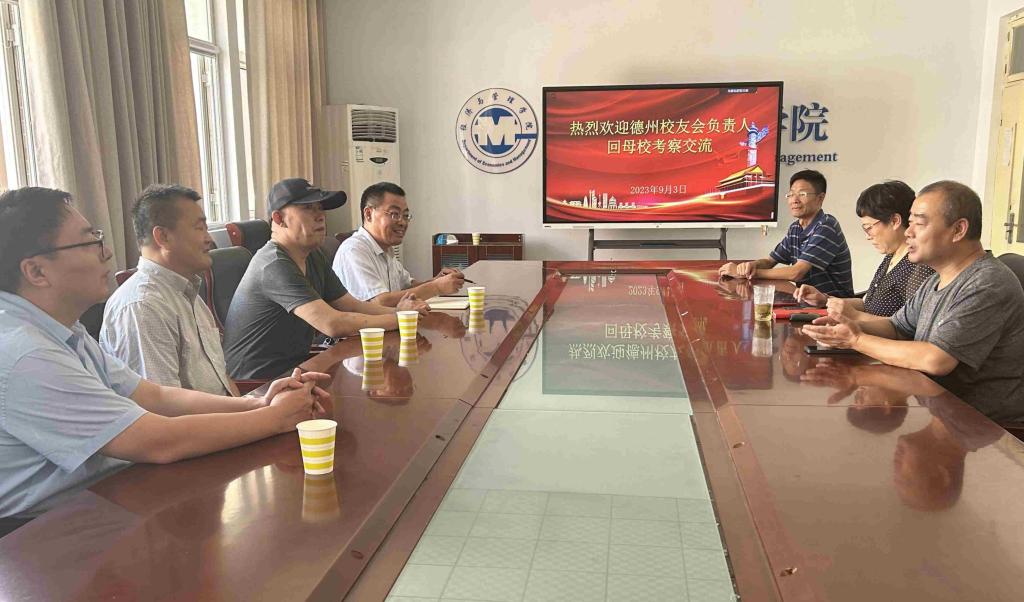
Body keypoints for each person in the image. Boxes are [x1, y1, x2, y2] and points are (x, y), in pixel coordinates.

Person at [0, 187, 329, 527]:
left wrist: (259, 404)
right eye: (89, 242)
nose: (107, 252)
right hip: (44, 531)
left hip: (107, 498)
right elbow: (155, 440)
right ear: (36, 272)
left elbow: (154, 395)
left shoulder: (64, 330)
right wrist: (276, 418)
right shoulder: (25, 353)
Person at [803, 180, 1024, 424]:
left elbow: (936, 359)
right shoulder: (937, 279)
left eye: (919, 223)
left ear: (958, 230)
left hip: (984, 427)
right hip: (937, 408)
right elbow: (897, 327)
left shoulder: (986, 283)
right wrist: (845, 328)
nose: (908, 232)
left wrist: (856, 340)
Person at [223, 178, 428, 380]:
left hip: (295, 370)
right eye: (308, 208)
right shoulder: (274, 264)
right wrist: (400, 319)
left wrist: (402, 313)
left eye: (320, 208)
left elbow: (351, 305)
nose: (320, 216)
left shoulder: (312, 255)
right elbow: (332, 324)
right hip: (255, 384)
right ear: (279, 218)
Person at [100, 184, 237, 395]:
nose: (209, 239)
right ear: (163, 237)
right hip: (201, 418)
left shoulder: (187, 291)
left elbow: (222, 380)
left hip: (230, 413)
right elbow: (164, 408)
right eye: (199, 228)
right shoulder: (143, 307)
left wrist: (255, 408)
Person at [795, 180, 934, 319]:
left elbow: (908, 325)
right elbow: (866, 303)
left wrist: (855, 318)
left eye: (869, 228)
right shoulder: (891, 256)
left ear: (895, 221)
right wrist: (826, 300)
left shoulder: (918, 265)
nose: (868, 236)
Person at [719, 169, 854, 297]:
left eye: (802, 194)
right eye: (791, 194)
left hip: (833, 306)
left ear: (820, 198)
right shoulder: (795, 228)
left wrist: (748, 274)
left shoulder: (826, 226)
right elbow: (769, 261)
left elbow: (796, 273)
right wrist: (750, 266)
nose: (794, 200)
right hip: (806, 301)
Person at [332, 182, 465, 304]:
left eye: (406, 215)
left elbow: (408, 286)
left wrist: (437, 280)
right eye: (394, 214)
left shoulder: (386, 249)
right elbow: (379, 302)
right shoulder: (354, 250)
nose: (402, 222)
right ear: (368, 214)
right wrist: (436, 287)